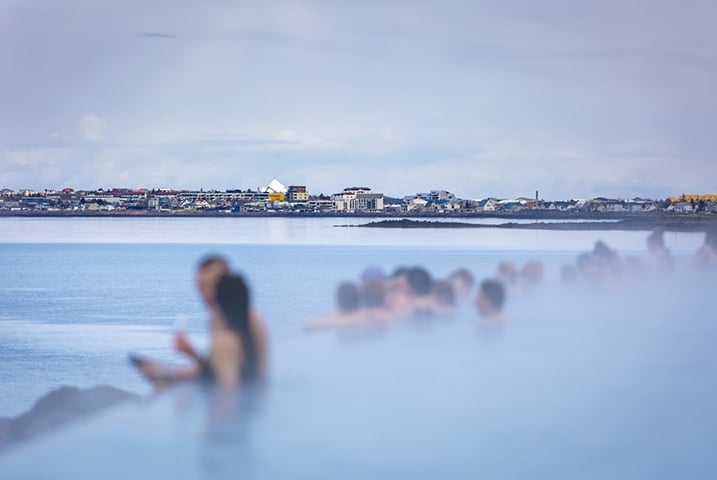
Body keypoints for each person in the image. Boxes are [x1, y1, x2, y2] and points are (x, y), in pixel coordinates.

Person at [136, 256, 268, 388]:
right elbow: (217, 367)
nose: (204, 292)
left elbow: (231, 383)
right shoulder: (216, 316)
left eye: (211, 284)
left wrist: (190, 355)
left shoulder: (247, 320)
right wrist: (168, 371)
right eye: (200, 285)